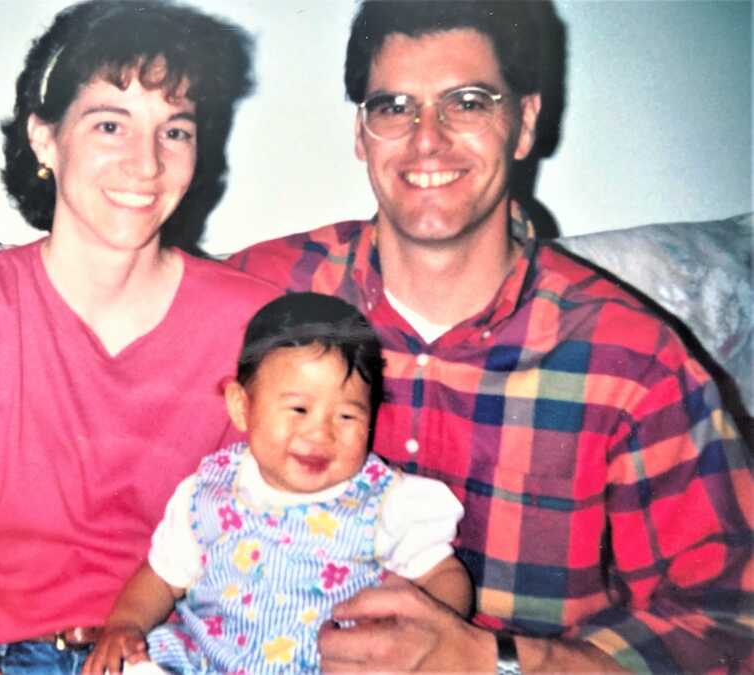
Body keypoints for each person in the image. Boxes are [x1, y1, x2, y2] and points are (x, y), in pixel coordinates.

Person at [226, 1, 754, 672]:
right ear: (361, 133)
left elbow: (733, 621)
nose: (427, 138)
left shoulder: (632, 363)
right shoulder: (261, 296)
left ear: (525, 121)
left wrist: (496, 660)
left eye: (467, 102)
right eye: (394, 107)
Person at [0, 1, 277, 673]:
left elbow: (266, 548)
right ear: (46, 139)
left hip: (167, 655)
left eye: (175, 131)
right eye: (110, 124)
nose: (146, 163)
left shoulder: (255, 329)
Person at [82, 292, 472, 675]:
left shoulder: (385, 501)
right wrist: (125, 625)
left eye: (347, 417)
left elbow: (444, 576)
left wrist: (431, 636)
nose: (321, 433)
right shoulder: (208, 491)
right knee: (140, 663)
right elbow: (161, 579)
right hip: (207, 660)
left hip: (326, 664)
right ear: (241, 406)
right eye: (299, 409)